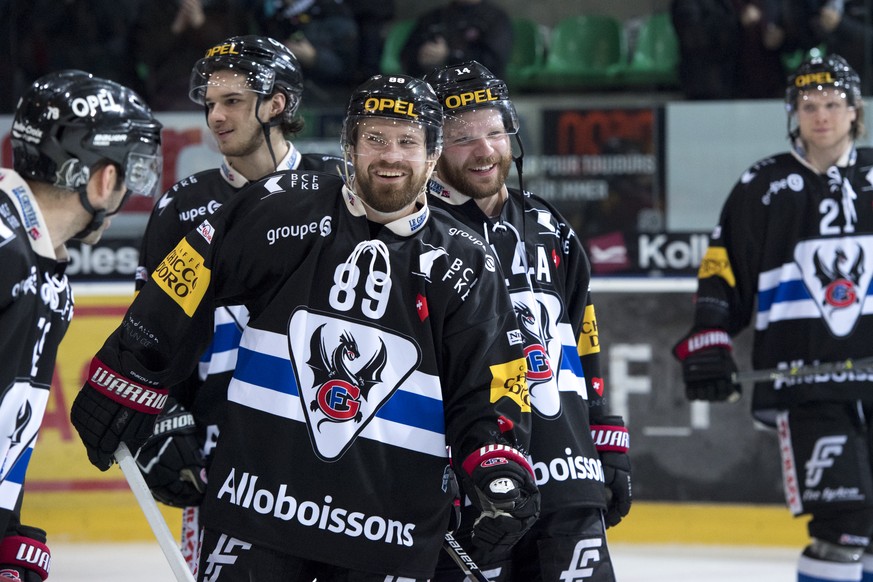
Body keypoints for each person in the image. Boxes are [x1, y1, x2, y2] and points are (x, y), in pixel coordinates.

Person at [70, 73, 540, 581]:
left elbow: (492, 384)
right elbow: (186, 277)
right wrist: (130, 371)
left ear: (432, 155)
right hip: (258, 510)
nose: (390, 156)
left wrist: (497, 461)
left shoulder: (467, 261)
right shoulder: (280, 206)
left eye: (408, 142)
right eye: (374, 139)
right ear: (349, 146)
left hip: (388, 530)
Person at [130, 33, 353, 571]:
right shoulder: (183, 208)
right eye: (209, 103)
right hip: (223, 462)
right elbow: (154, 337)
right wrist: (162, 422)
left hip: (336, 455)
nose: (215, 117)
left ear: (277, 104)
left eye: (231, 101)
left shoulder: (339, 188)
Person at [422, 61, 631, 581]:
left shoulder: (546, 224)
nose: (484, 149)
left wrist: (604, 433)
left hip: (566, 477)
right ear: (431, 146)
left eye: (493, 131)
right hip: (471, 489)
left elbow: (581, 335)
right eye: (461, 137)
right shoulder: (417, 234)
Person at [672, 54, 873, 582]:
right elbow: (722, 271)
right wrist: (709, 340)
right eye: (809, 105)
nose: (822, 115)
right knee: (841, 527)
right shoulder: (762, 184)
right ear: (793, 113)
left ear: (855, 111)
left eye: (833, 104)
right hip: (808, 385)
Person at [1, 69, 162, 581]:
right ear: (102, 178)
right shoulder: (8, 251)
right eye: (132, 171)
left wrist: (9, 531)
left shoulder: (38, 261)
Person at [131, 0, 259, 111]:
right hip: (167, 93)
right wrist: (176, 28)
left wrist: (200, 23)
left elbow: (235, 54)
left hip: (220, 89)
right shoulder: (155, 7)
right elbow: (146, 54)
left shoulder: (227, 7)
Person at [256, 0, 360, 103]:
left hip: (324, 101)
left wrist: (315, 58)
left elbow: (349, 66)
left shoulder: (332, 11)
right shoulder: (270, 13)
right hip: (284, 96)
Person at [399, 0, 513, 79]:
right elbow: (406, 54)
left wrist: (450, 55)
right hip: (434, 89)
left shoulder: (496, 18)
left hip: (479, 91)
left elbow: (494, 61)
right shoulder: (433, 17)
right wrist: (421, 58)